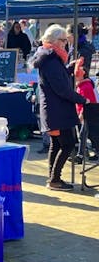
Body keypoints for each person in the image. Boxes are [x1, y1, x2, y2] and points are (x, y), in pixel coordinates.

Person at [32, 23, 88, 191]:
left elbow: (59, 78)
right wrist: (82, 99)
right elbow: (61, 88)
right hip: (57, 110)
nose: (66, 43)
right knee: (68, 143)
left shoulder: (50, 58)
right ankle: (55, 178)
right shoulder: (50, 60)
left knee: (57, 144)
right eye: (63, 40)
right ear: (55, 41)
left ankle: (53, 178)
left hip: (54, 109)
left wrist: (69, 68)